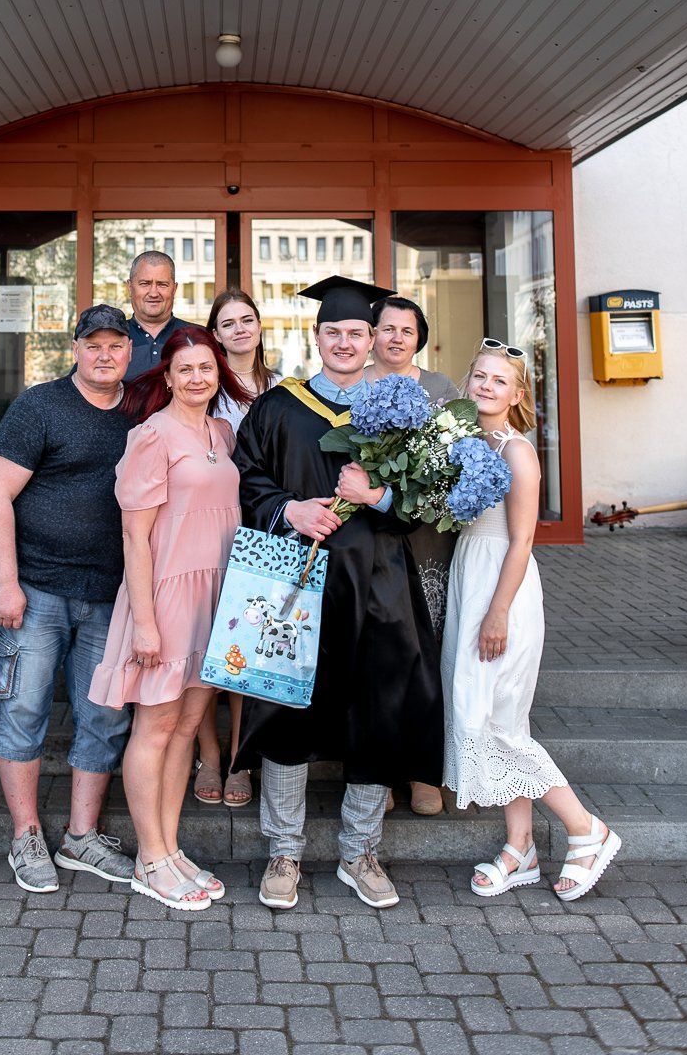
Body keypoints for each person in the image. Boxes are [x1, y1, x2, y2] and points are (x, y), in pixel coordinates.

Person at [233, 275, 444, 912]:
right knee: (287, 712)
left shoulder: (403, 413)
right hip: (296, 586)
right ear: (316, 336)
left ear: (372, 339)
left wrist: (375, 495)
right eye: (334, 332)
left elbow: (425, 503)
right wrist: (289, 510)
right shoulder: (278, 407)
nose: (345, 342)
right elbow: (245, 479)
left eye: (357, 333)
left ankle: (360, 852)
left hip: (380, 585)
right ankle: (283, 851)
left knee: (379, 710)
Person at [442, 342, 622, 901]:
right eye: (480, 376)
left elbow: (522, 540)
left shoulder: (518, 452)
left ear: (518, 394)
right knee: (487, 715)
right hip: (468, 575)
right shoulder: (460, 440)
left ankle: (585, 828)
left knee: (494, 723)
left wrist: (497, 612)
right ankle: (520, 847)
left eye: (500, 380)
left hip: (503, 587)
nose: (486, 386)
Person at [88, 326, 253, 910]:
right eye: (185, 369)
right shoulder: (151, 436)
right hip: (166, 595)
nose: (196, 378)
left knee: (187, 727)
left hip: (217, 596)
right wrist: (145, 622)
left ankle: (170, 847)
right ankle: (150, 859)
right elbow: (135, 537)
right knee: (155, 727)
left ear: (219, 373)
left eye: (206, 367)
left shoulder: (221, 432)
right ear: (168, 377)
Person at [0, 305, 137, 893]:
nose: (104, 355)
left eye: (115, 345)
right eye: (93, 345)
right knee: (22, 710)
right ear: (75, 349)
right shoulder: (39, 407)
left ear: (130, 351)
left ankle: (80, 837)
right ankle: (25, 836)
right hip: (37, 591)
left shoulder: (142, 413)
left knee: (104, 717)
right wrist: (6, 583)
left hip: (111, 594)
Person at [367, 294, 460, 817]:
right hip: (372, 539)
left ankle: (423, 771)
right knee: (377, 656)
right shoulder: (352, 385)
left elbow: (454, 462)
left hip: (426, 538)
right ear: (372, 334)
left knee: (425, 653)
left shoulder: (441, 389)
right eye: (388, 328)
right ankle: (378, 771)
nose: (397, 338)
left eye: (407, 330)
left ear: (419, 337)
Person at [192, 288, 281, 810]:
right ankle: (208, 752)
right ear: (215, 334)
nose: (240, 329)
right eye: (228, 323)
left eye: (247, 319)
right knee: (204, 643)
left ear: (259, 327)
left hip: (263, 531)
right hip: (209, 527)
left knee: (244, 645)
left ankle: (239, 758)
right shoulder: (206, 387)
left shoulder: (285, 388)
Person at [123, 249, 191, 380]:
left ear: (174, 289)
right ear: (130, 287)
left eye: (162, 284)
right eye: (145, 284)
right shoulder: (113, 339)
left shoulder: (197, 337)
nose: (153, 293)